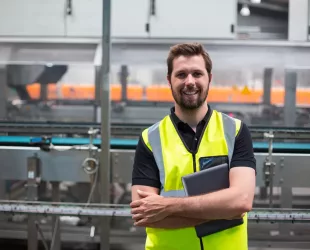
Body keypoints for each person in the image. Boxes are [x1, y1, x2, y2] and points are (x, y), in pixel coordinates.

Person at [130, 42, 256, 250]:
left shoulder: (235, 131)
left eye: (197, 74)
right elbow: (144, 216)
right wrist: (222, 212)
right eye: (181, 75)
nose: (190, 82)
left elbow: (241, 201)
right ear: (169, 80)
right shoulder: (150, 139)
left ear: (209, 79)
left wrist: (168, 206)